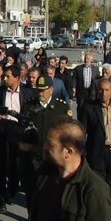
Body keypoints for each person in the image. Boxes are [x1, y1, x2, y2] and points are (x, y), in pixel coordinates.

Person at [29, 119, 111, 221]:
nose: (45, 147)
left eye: (51, 144)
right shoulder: (45, 173)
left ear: (68, 152)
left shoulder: (94, 189)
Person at [17, 75, 72, 213]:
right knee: (32, 197)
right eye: (38, 90)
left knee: (52, 198)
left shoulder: (61, 108)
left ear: (51, 90)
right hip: (32, 159)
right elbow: (21, 131)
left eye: (44, 90)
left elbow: (67, 135)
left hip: (53, 161)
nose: (40, 93)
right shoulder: (29, 105)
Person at [0, 65, 33, 213]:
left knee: (16, 166)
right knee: (0, 167)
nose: (4, 79)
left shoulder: (27, 92)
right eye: (4, 76)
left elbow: (30, 114)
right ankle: (1, 199)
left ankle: (11, 192)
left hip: (18, 133)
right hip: (2, 131)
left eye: (7, 76)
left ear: (17, 77)